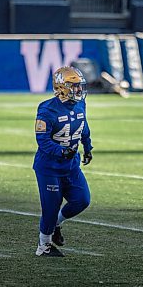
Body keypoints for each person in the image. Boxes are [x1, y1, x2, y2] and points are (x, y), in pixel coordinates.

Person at [33, 66, 93, 257]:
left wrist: (87, 146)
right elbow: (42, 140)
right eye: (73, 86)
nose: (78, 90)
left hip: (71, 164)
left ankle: (57, 224)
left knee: (82, 200)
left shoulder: (80, 104)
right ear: (61, 87)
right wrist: (61, 151)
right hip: (49, 167)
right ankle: (43, 246)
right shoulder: (47, 108)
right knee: (50, 208)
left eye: (79, 86)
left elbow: (83, 127)